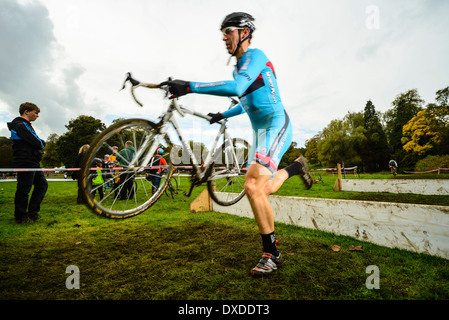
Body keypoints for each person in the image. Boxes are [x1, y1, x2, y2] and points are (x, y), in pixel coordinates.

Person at [160, 12, 313, 276]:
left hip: (276, 125)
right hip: (261, 132)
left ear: (244, 32)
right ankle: (295, 168)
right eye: (222, 32)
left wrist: (189, 86)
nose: (223, 37)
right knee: (261, 190)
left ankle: (271, 253)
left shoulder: (256, 57)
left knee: (252, 185)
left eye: (228, 31)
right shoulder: (239, 68)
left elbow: (236, 87)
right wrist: (223, 115)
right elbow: (245, 100)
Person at [7, 102, 48, 224]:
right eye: (35, 113)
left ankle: (32, 214)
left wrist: (40, 142)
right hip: (25, 161)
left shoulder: (26, 125)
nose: (37, 116)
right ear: (26, 111)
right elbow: (37, 143)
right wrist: (41, 143)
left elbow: (36, 141)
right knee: (24, 189)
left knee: (42, 185)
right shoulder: (20, 125)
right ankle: (20, 217)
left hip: (33, 161)